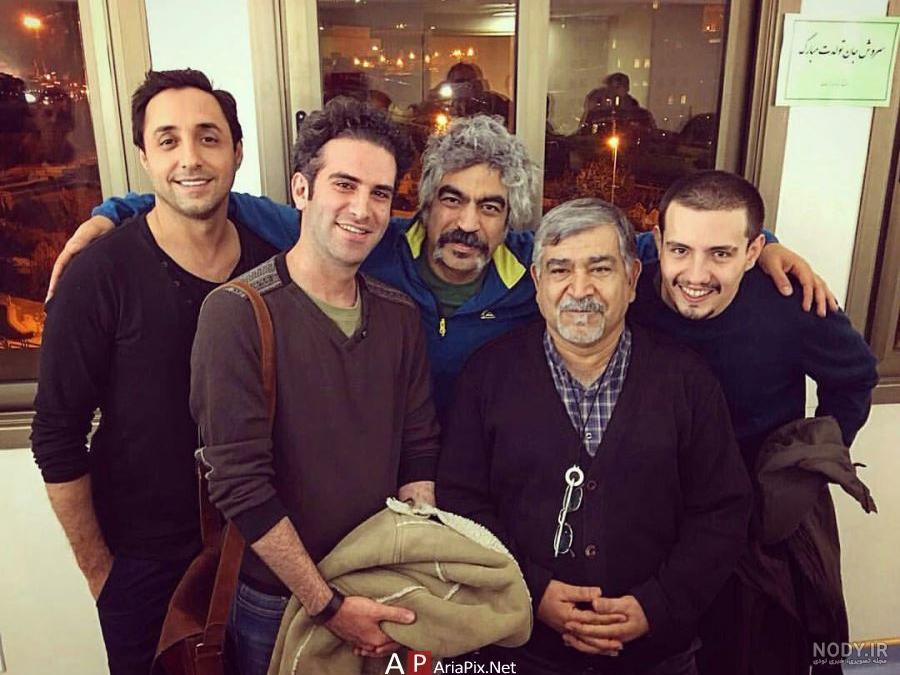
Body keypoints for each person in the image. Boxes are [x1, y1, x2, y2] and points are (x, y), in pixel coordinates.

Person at [48, 116, 836, 416]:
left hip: (494, 486)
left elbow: (656, 247)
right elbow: (228, 200)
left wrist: (766, 247)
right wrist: (115, 210)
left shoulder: (538, 267)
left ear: (511, 218)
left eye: (490, 207)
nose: (466, 222)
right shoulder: (371, 242)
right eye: (451, 199)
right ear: (422, 201)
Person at [437, 198, 752, 675]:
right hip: (518, 652)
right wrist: (530, 590)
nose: (579, 289)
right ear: (537, 283)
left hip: (657, 659)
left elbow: (722, 510)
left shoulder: (687, 381)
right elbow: (461, 502)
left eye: (600, 268)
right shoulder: (487, 375)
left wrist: (657, 605)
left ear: (632, 279)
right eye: (560, 269)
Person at [29, 69, 277, 675]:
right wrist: (103, 577)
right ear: (144, 157)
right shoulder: (99, 276)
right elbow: (56, 436)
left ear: (237, 152)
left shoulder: (274, 268)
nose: (190, 158)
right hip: (142, 567)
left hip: (261, 555)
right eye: (168, 140)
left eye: (208, 137)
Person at [189, 97, 441, 675]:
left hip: (381, 592)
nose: (362, 209)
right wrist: (328, 605)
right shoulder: (236, 314)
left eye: (380, 194)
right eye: (344, 185)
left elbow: (419, 448)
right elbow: (239, 485)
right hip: (277, 603)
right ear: (301, 190)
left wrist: (406, 571)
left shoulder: (400, 316)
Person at [627, 170, 879, 673]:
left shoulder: (790, 301)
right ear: (657, 242)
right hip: (654, 520)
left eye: (720, 254)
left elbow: (855, 376)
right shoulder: (633, 290)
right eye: (680, 250)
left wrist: (803, 466)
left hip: (757, 529)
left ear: (752, 251)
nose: (695, 274)